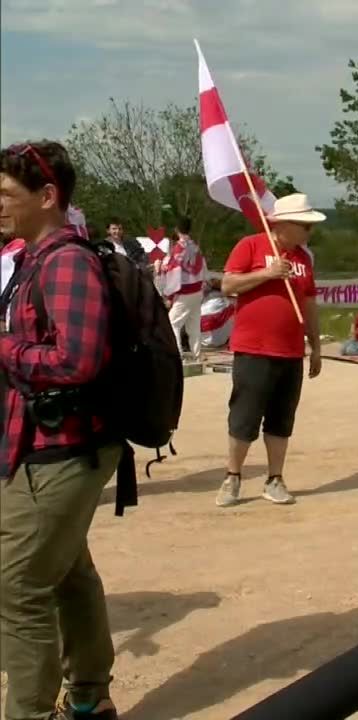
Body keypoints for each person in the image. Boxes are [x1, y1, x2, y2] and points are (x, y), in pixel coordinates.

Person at [0, 141, 124, 720]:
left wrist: (2, 348)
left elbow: (79, 360)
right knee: (70, 571)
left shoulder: (66, 260)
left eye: (6, 194)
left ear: (47, 197)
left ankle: (30, 712)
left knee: (18, 586)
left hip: (67, 447)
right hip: (40, 444)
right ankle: (90, 698)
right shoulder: (28, 258)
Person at [215, 193, 325, 508]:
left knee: (281, 419)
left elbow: (310, 305)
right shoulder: (250, 246)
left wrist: (315, 345)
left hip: (291, 352)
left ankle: (275, 478)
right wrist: (268, 273)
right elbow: (228, 285)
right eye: (305, 225)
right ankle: (233, 476)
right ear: (284, 224)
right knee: (244, 416)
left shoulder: (303, 259)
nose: (309, 232)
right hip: (254, 349)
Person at [158, 216, 208, 361]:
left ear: (177, 229)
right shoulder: (196, 246)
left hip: (184, 290)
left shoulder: (178, 248)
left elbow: (174, 271)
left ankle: (177, 355)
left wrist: (168, 294)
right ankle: (197, 354)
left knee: (173, 323)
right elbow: (202, 268)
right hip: (197, 289)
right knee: (193, 324)